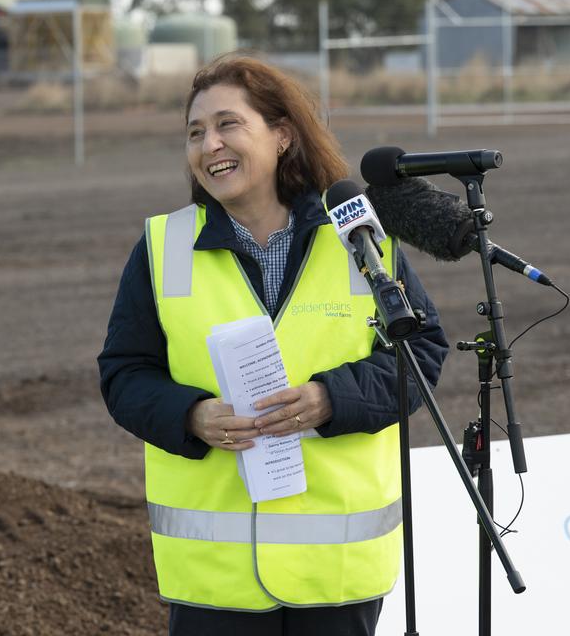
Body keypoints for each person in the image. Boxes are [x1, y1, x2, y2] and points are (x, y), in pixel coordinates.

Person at [97, 55, 448, 635]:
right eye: (195, 132)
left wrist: (332, 398)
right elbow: (124, 375)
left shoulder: (360, 238)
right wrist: (190, 415)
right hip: (215, 582)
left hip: (337, 576)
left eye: (228, 125)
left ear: (283, 134)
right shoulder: (162, 248)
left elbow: (422, 355)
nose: (210, 145)